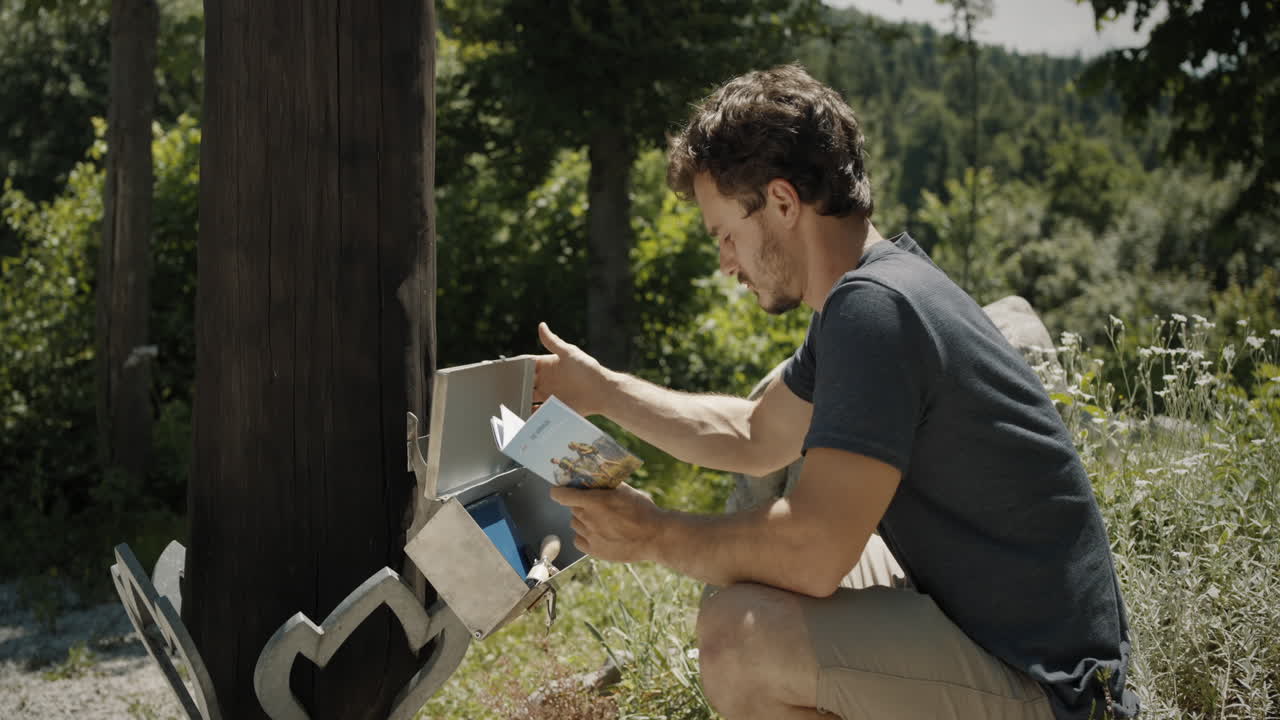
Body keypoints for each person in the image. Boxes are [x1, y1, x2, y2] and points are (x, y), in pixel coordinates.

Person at [535, 64, 1138, 720]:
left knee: (741, 636)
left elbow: (815, 550)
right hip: (1011, 642)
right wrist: (604, 390)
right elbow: (753, 435)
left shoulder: (874, 310)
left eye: (726, 235)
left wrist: (654, 533)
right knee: (759, 584)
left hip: (1057, 693)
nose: (725, 262)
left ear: (785, 203)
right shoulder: (873, 293)